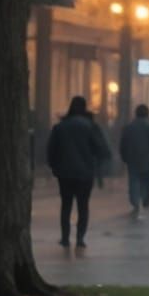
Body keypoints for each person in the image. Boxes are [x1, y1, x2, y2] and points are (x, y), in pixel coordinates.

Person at [46, 95, 111, 250]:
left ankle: (65, 238)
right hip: (85, 172)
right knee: (83, 206)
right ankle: (80, 238)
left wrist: (55, 167)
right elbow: (102, 149)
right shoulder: (90, 126)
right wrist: (97, 164)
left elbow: (51, 150)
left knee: (66, 205)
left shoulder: (60, 127)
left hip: (65, 173)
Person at [118, 103, 149, 219]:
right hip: (148, 159)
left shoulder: (129, 127)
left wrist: (124, 157)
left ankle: (135, 202)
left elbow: (123, 144)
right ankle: (145, 200)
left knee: (134, 180)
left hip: (132, 159)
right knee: (147, 181)